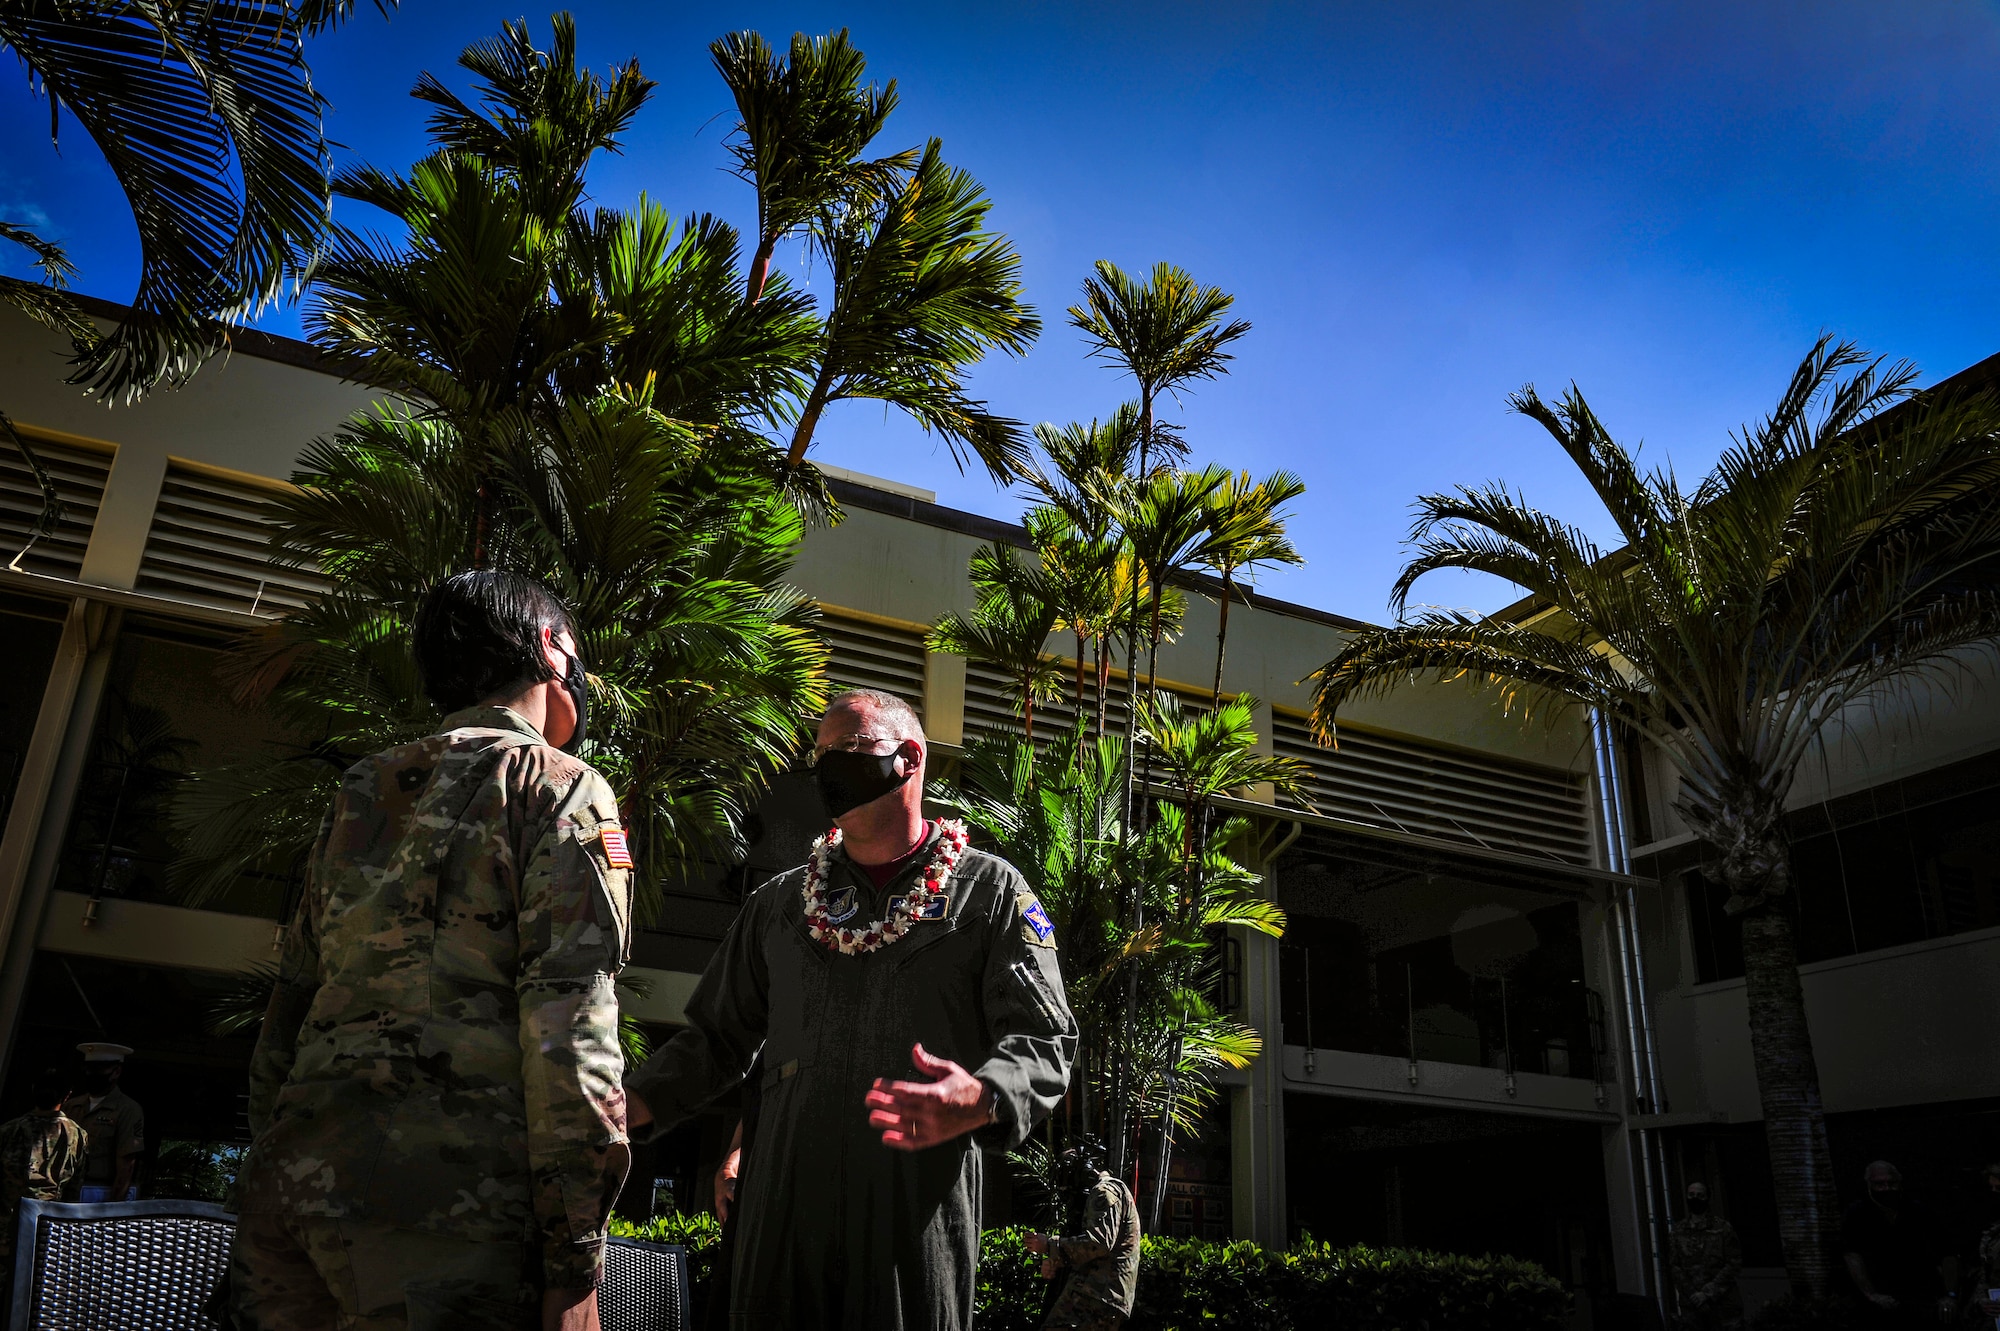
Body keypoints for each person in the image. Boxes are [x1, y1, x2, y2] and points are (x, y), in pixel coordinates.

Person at [229, 571, 633, 1331]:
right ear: (551, 649)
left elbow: (288, 1009)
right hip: (451, 1219)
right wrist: (575, 1258)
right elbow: (571, 1037)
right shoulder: (558, 786)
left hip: (293, 1199)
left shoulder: (360, 787)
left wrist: (279, 1161)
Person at [624, 687, 1077, 1330]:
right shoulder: (780, 904)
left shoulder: (990, 893)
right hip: (780, 1216)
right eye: (822, 754)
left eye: (851, 750)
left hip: (911, 1220)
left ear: (910, 758)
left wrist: (979, 1096)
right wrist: (631, 1104)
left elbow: (1047, 1039)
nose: (831, 767)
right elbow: (715, 1040)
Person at [1026, 1138, 1141, 1331]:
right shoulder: (1110, 1190)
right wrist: (1055, 1260)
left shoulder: (1104, 1191)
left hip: (1096, 1294)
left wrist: (1049, 1245)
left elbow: (1099, 1243)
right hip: (1100, 1294)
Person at [0, 1067, 85, 1306]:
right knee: (32, 1299)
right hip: (46, 1232)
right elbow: (74, 1190)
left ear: (33, 1090)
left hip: (7, 1229)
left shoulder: (9, 1130)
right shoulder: (77, 1135)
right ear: (67, 1096)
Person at [1842, 1160, 1954, 1327]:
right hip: (1881, 1300)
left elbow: (1947, 1252)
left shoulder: (1919, 1211)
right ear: (1869, 1185)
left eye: (1891, 1183)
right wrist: (1871, 1294)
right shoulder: (1857, 1214)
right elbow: (1852, 1255)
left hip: (1924, 1296)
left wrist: (1950, 1295)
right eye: (1879, 1184)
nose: (1887, 1188)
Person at [63, 1042, 142, 1202]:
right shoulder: (71, 1106)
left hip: (97, 1193)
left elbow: (126, 1165)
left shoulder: (127, 1109)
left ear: (116, 1072)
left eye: (99, 1069)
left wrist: (113, 1207)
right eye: (89, 1069)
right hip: (65, 1190)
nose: (92, 1074)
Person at [1667, 1181, 1743, 1330]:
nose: (1695, 1199)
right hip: (1692, 1307)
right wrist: (1693, 1294)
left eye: (1700, 1195)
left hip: (1723, 1304)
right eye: (1691, 1195)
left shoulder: (1723, 1228)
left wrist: (1707, 1293)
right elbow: (1674, 1266)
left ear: (1708, 1198)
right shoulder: (1677, 1231)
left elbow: (1734, 1262)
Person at [1961, 1163, 2000, 1326]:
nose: (1995, 1194)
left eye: (1999, 1188)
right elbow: (1983, 1273)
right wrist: (1981, 1300)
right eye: (1992, 1188)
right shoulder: (1992, 1233)